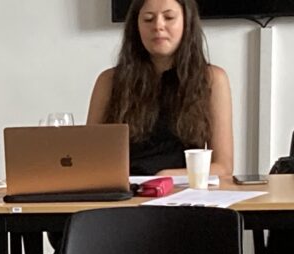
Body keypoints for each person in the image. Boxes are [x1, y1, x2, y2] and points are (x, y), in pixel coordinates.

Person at [87, 0, 233, 177]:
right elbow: (89, 160)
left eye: (169, 17)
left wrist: (166, 177)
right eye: (148, 20)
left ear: (187, 23)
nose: (158, 26)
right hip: (125, 191)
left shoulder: (212, 79)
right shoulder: (109, 81)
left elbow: (223, 167)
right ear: (136, 26)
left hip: (183, 192)